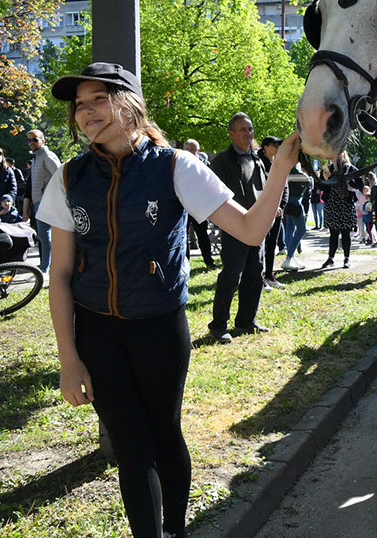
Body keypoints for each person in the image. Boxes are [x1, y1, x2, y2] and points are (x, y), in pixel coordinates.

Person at [39, 62, 299, 538]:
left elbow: (249, 229)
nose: (86, 112)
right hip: (97, 332)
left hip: (159, 328)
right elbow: (58, 274)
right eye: (80, 104)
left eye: (99, 99)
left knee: (163, 434)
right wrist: (68, 359)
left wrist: (279, 169)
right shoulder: (70, 178)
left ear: (129, 104)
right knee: (130, 448)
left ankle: (176, 529)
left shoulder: (176, 166)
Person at [207, 112, 274, 343]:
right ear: (231, 133)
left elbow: (262, 190)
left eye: (250, 129)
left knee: (255, 274)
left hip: (256, 227)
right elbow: (214, 193)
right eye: (243, 129)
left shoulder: (257, 160)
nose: (248, 133)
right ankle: (218, 325)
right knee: (231, 276)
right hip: (234, 226)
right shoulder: (222, 160)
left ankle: (246, 321)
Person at [22, 129, 61, 274]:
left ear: (43, 141)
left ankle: (47, 267)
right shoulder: (35, 158)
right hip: (38, 202)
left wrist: (52, 196)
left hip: (49, 202)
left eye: (35, 139)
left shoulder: (48, 156)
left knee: (47, 236)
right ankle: (45, 266)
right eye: (29, 140)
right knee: (43, 237)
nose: (31, 143)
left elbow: (60, 177)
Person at [257, 135, 287, 289]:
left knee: (272, 244)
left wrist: (280, 205)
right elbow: (260, 189)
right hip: (264, 211)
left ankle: (269, 275)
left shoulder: (277, 163)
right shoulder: (259, 164)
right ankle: (259, 278)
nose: (278, 148)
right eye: (275, 145)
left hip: (278, 211)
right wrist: (271, 206)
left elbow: (284, 187)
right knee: (260, 244)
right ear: (266, 147)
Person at [322, 153, 361, 268]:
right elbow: (320, 187)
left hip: (346, 205)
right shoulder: (327, 169)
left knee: (345, 233)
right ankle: (330, 258)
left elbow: (359, 184)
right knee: (333, 233)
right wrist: (325, 180)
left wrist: (347, 180)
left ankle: (347, 258)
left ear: (343, 155)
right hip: (332, 205)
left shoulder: (350, 169)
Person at [182, 139, 215, 269]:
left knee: (203, 235)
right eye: (188, 149)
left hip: (199, 205)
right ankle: (185, 263)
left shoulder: (204, 164)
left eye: (193, 150)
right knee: (184, 237)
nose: (190, 152)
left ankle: (209, 262)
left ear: (198, 151)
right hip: (184, 205)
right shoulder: (180, 164)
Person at [281, 163, 310, 271]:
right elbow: (306, 180)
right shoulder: (294, 164)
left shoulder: (286, 165)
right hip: (295, 201)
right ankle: (288, 259)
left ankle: (291, 257)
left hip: (289, 201)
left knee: (290, 229)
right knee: (301, 230)